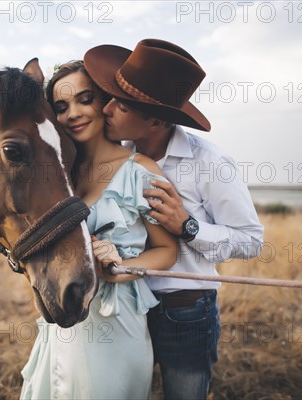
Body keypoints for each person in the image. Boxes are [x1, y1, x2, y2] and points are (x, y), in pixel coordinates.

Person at [83, 39, 265, 399]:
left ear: (154, 119)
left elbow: (251, 240)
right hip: (126, 306)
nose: (106, 109)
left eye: (120, 104)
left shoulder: (210, 163)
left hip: (186, 311)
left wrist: (188, 227)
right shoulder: (118, 159)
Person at [20, 61, 179, 399]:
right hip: (63, 313)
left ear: (104, 102)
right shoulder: (62, 174)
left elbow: (168, 251)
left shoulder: (140, 171)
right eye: (61, 107)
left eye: (84, 99)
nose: (73, 113)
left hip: (116, 321)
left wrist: (122, 266)